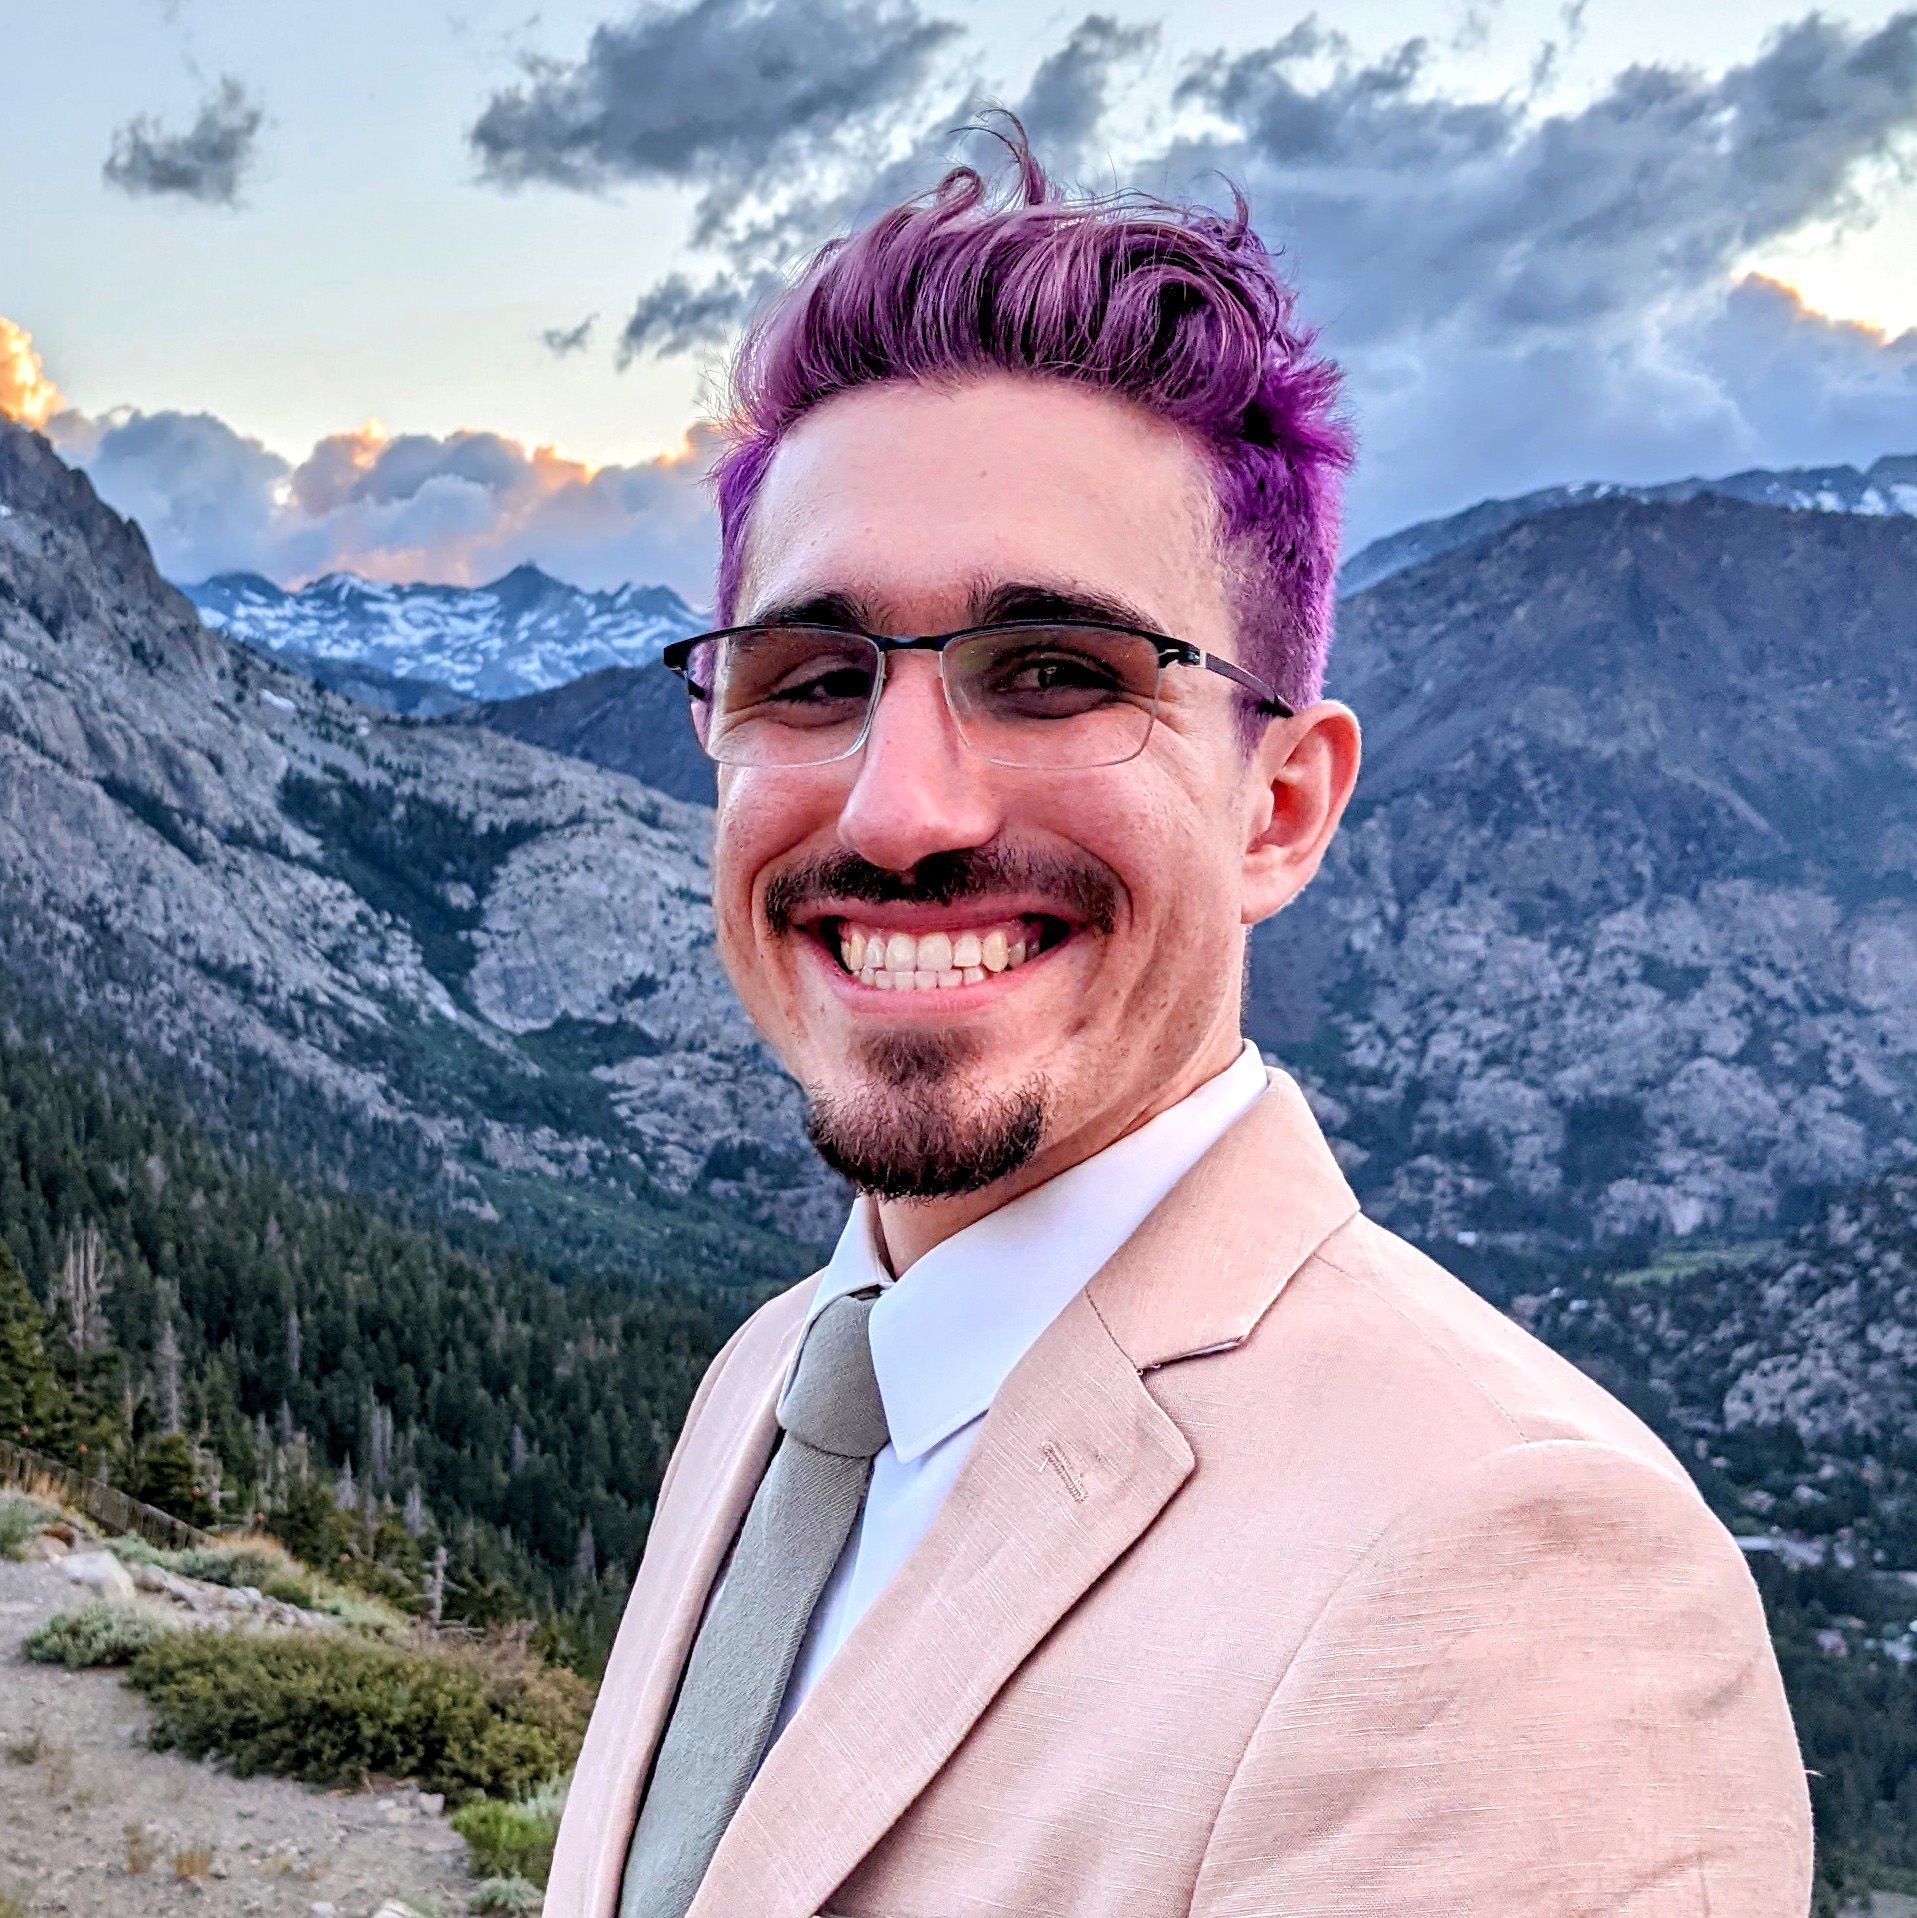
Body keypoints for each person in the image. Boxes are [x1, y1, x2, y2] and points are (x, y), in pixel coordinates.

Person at [549, 131, 1812, 1918]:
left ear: (1278, 807)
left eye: (1056, 669)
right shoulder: (774, 1382)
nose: (898, 809)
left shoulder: (1514, 1573)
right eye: (813, 677)